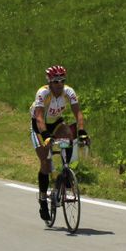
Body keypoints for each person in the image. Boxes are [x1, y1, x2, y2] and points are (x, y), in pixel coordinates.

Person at [30, 65, 89, 221]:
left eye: (62, 80)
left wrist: (82, 132)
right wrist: (45, 135)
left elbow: (78, 114)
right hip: (39, 126)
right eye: (56, 81)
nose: (59, 84)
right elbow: (39, 118)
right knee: (45, 162)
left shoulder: (69, 92)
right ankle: (43, 200)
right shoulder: (43, 93)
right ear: (49, 82)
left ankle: (65, 172)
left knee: (69, 135)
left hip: (56, 122)